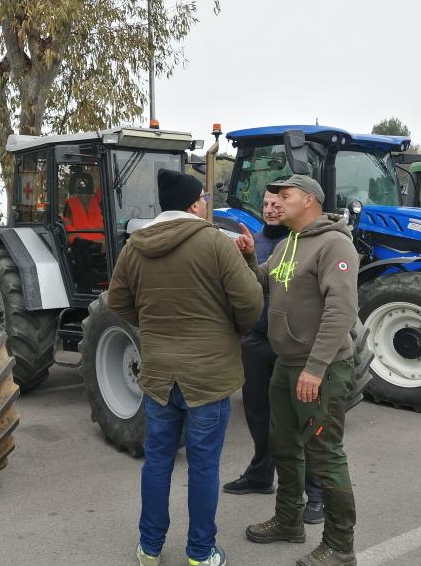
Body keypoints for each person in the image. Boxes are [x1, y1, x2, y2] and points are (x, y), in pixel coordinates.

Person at [109, 168, 264, 566]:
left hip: (159, 375)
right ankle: (200, 553)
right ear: (195, 203)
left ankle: (149, 548)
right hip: (208, 378)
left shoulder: (135, 247)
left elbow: (119, 303)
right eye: (204, 200)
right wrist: (232, 327)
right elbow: (250, 304)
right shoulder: (215, 243)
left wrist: (153, 325)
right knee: (203, 468)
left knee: (157, 462)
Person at [236, 175, 359, 566]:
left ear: (309, 200)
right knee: (284, 447)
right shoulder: (289, 242)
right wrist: (247, 256)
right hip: (286, 365)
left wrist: (316, 367)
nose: (276, 202)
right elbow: (263, 281)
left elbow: (342, 310)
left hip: (318, 370)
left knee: (325, 456)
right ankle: (289, 521)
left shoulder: (335, 244)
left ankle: (340, 547)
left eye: (285, 196)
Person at [224, 191, 326, 525]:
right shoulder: (253, 243)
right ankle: (260, 474)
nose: (271, 208)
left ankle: (316, 493)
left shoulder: (305, 244)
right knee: (258, 414)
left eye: (277, 202)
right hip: (256, 341)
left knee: (303, 422)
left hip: (294, 349)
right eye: (266, 203)